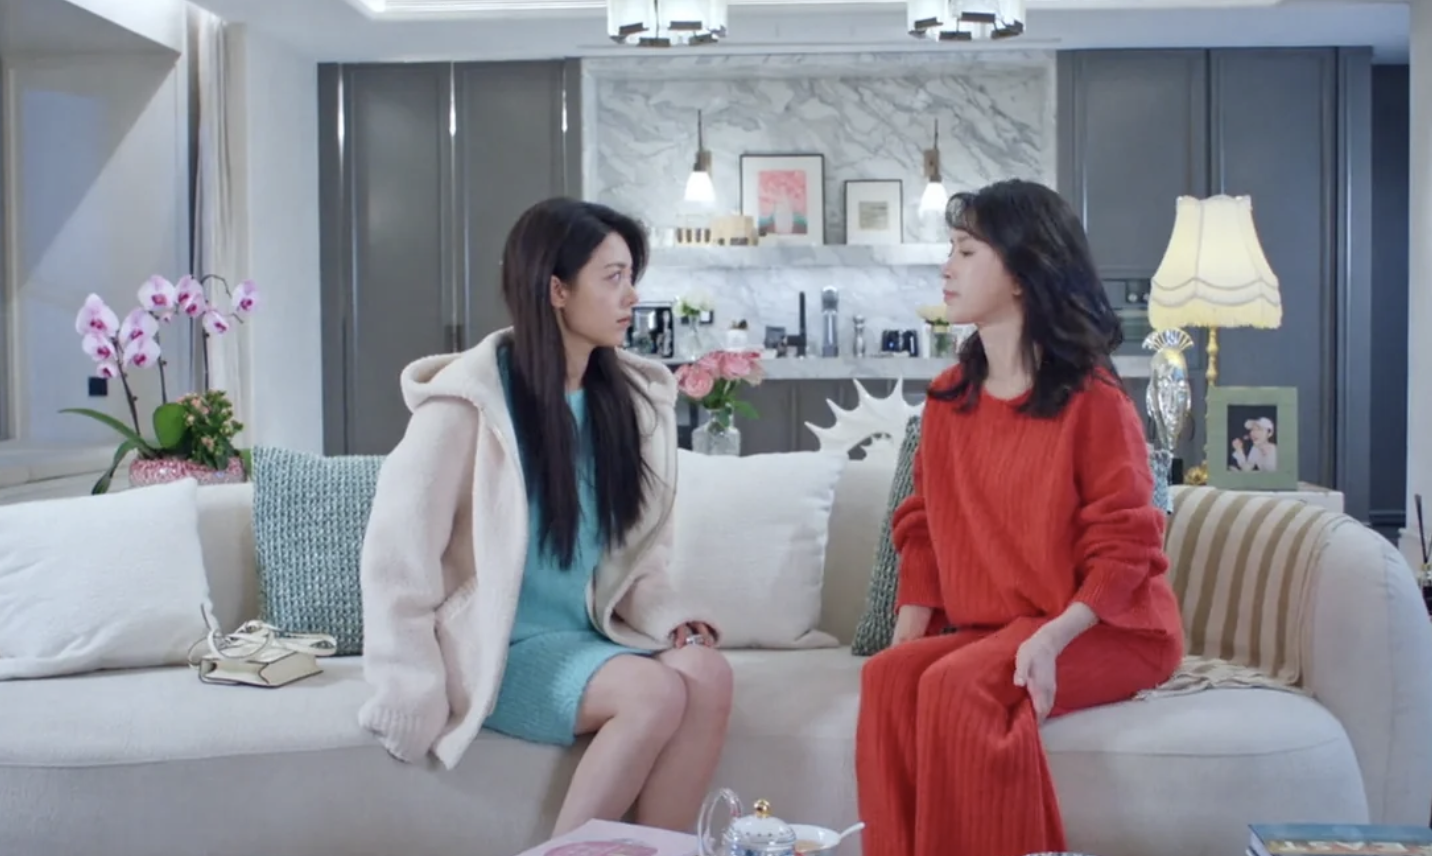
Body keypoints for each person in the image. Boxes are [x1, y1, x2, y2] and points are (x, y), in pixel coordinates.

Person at [357, 197, 734, 836]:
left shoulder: (632, 406)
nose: (632, 296)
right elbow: (397, 556)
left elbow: (639, 561)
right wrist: (407, 687)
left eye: (631, 276)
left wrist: (672, 621)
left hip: (589, 638)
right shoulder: (467, 406)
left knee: (707, 673)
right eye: (612, 277)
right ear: (557, 290)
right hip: (498, 649)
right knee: (653, 692)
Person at [854, 179, 1185, 856]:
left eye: (966, 251)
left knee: (961, 686)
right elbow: (923, 525)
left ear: (1022, 272)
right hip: (1004, 626)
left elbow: (1128, 546)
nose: (947, 267)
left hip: (1110, 629)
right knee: (888, 679)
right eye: (950, 249)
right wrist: (907, 633)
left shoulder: (1093, 399)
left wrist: (1053, 639)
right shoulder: (949, 398)